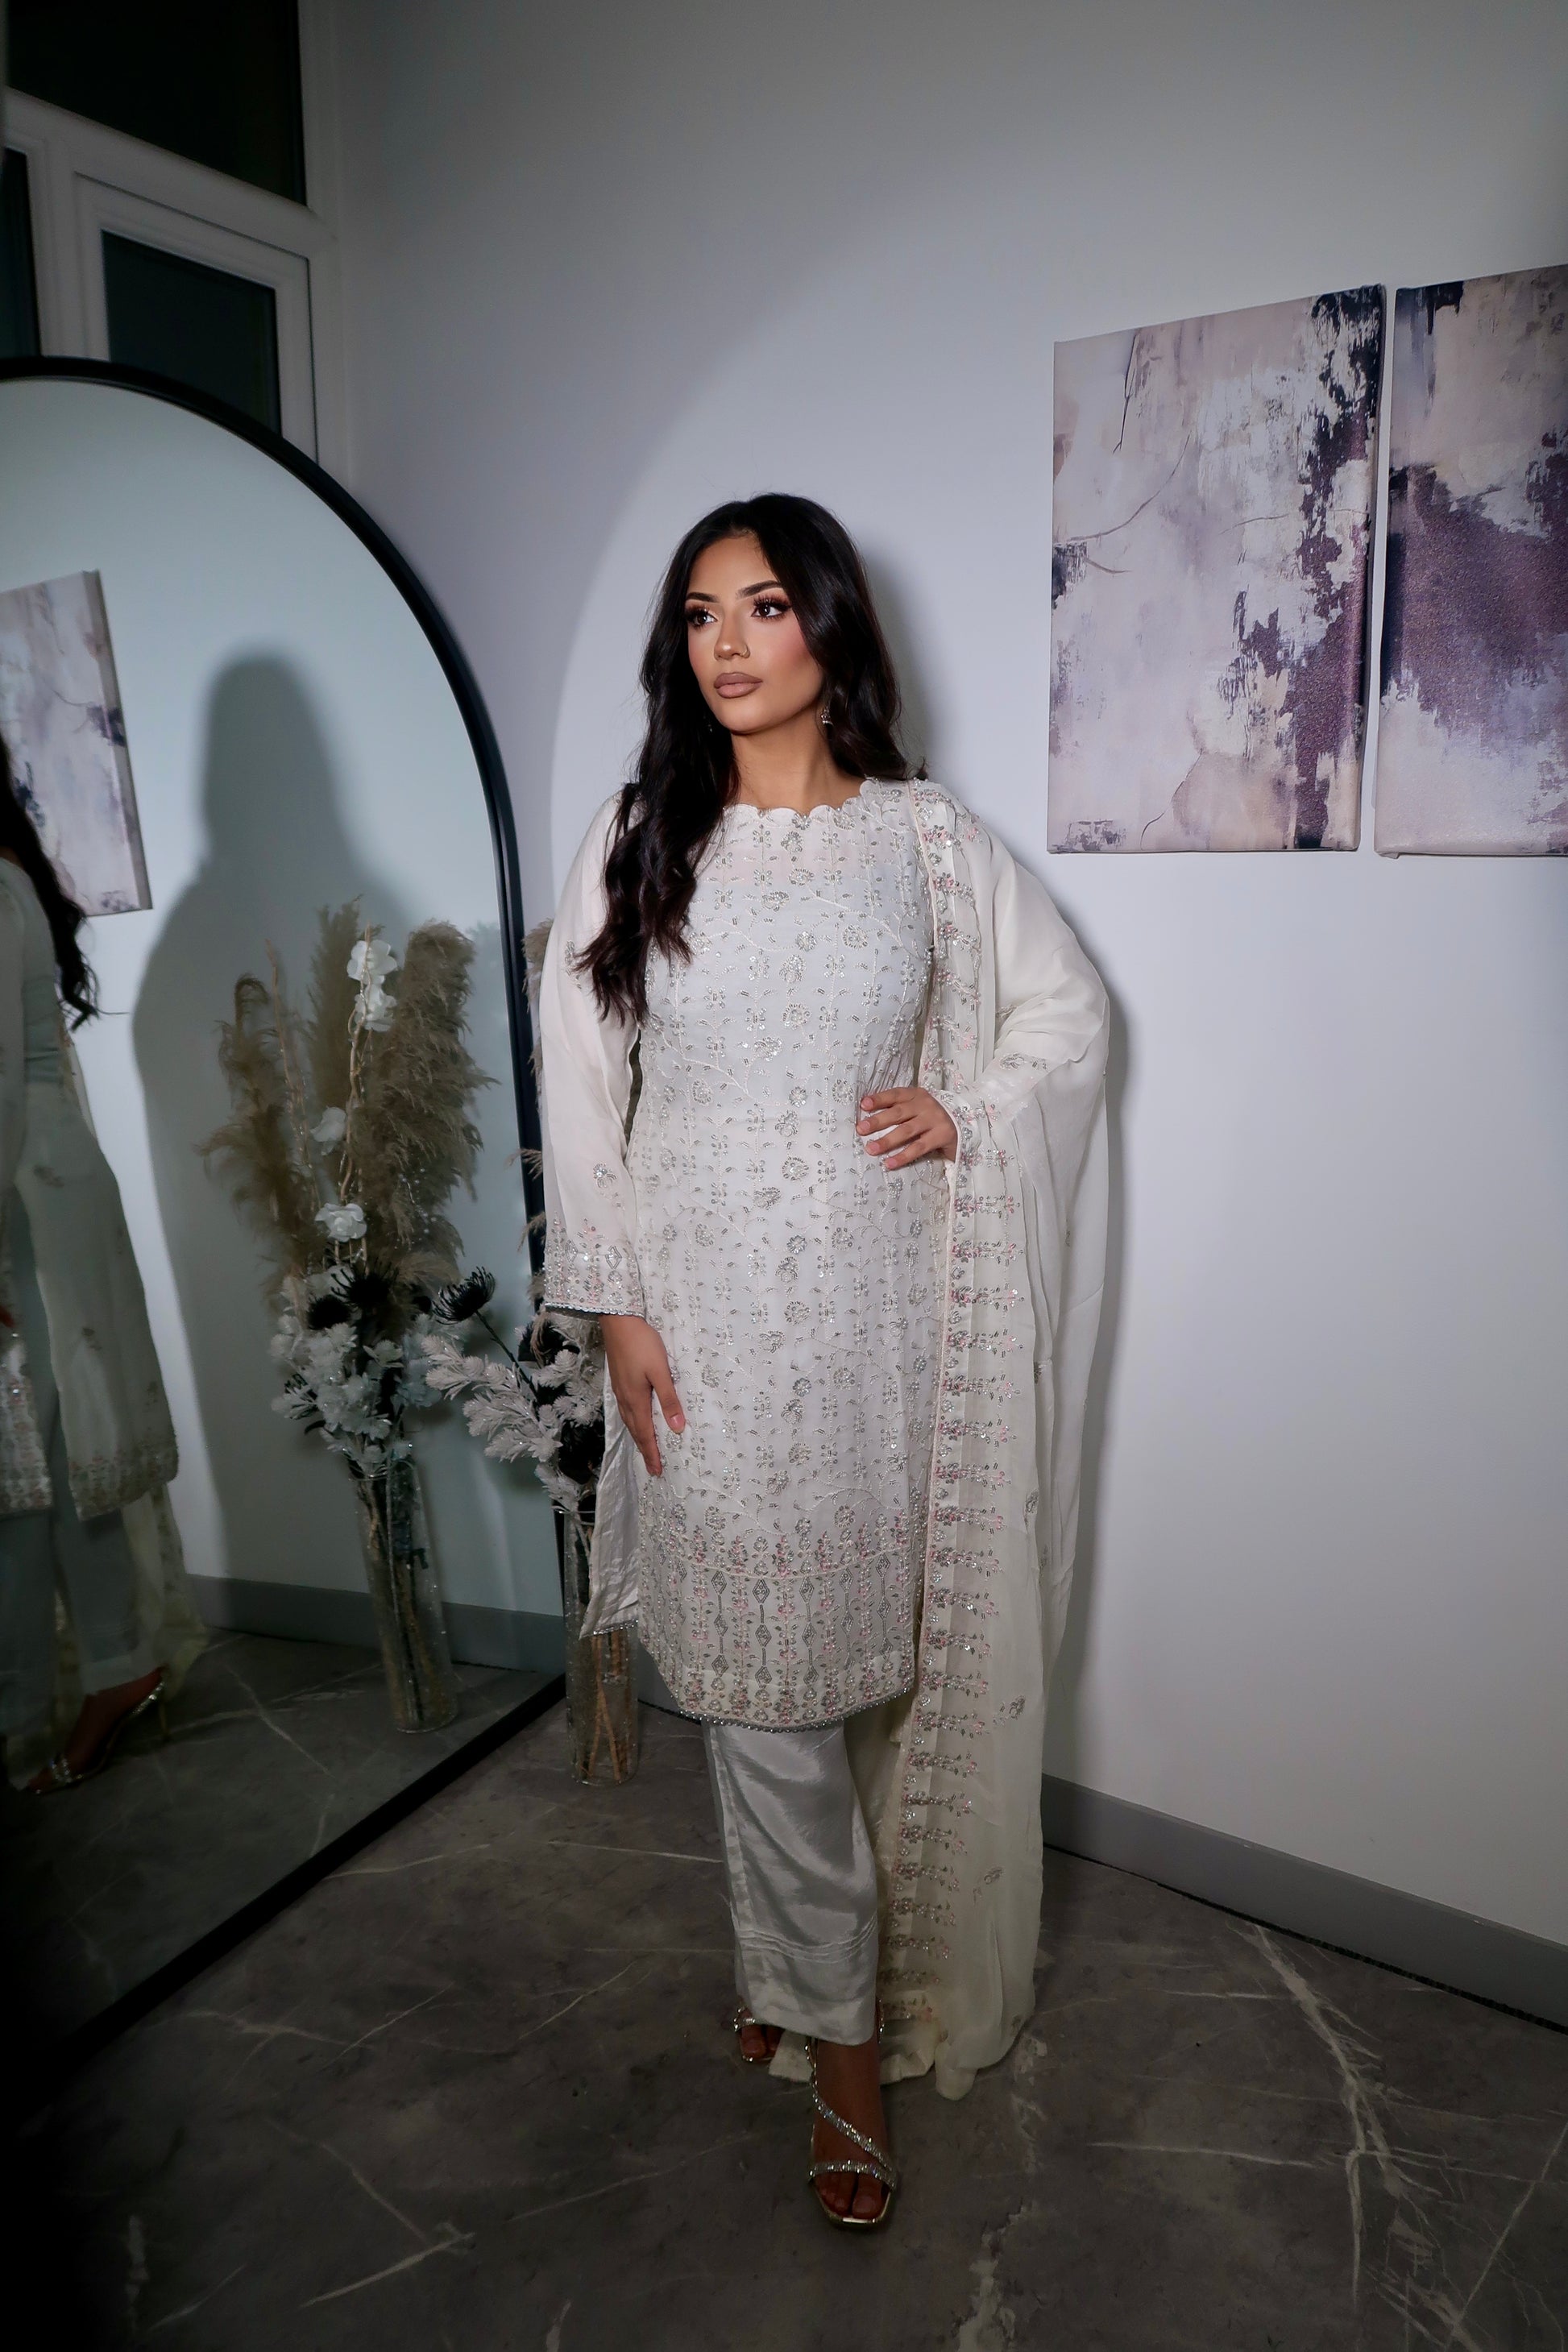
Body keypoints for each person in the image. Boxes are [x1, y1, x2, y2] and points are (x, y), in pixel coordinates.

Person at [539, 495, 1109, 2229]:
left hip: (877, 1331)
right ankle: (844, 2045)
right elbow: (580, 1072)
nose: (726, 642)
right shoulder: (643, 832)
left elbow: (1067, 1013)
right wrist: (615, 1304)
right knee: (760, 1684)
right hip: (700, 1329)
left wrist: (969, 1107)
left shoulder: (926, 842)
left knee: (859, 1677)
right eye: (699, 612)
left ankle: (798, 1974)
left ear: (829, 629)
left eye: (765, 606)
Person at [0, 738, 201, 1792]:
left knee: (39, 1458)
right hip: (39, 1180)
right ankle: (108, 1671)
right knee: (47, 1456)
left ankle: (57, 1704)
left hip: (23, 1189)